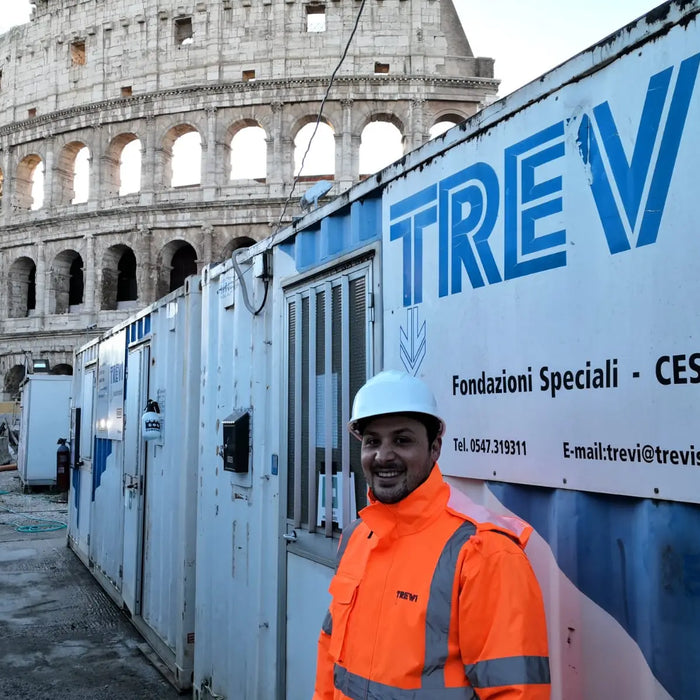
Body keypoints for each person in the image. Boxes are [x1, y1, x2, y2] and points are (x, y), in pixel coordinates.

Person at [313, 370, 550, 699]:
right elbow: (330, 654)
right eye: (372, 441)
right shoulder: (357, 536)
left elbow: (517, 692)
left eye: (402, 440)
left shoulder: (483, 552)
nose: (383, 456)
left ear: (435, 447)